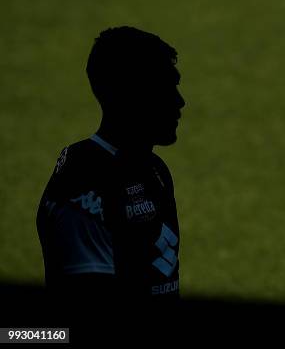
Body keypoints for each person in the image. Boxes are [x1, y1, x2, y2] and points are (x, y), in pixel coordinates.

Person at [36, 26, 185, 305]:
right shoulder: (84, 180)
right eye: (164, 89)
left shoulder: (155, 170)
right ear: (130, 97)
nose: (179, 101)